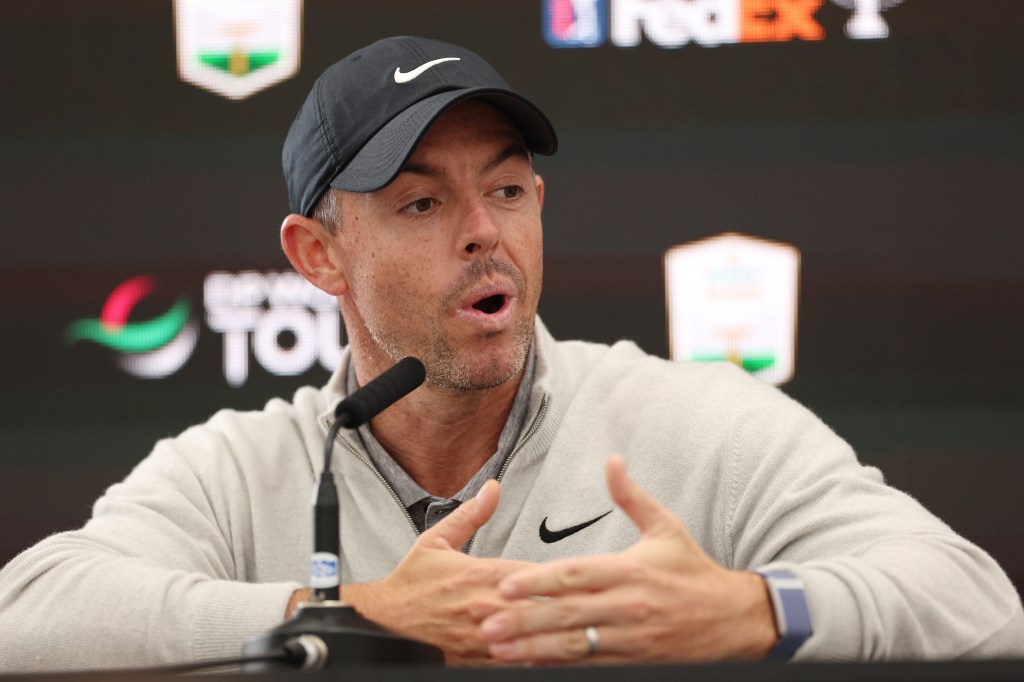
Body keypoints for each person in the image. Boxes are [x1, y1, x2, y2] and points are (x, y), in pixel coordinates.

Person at [0, 35, 1021, 671]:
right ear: (319, 256)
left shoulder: (696, 424)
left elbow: (976, 603)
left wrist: (748, 612)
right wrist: (355, 618)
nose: (484, 231)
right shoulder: (239, 467)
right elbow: (30, 617)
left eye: (505, 188)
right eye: (421, 202)